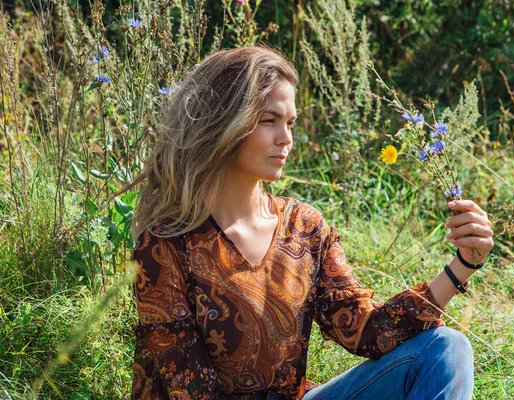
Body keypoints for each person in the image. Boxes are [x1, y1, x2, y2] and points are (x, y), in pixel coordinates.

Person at [129, 46, 494, 400]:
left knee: (446, 349)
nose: (286, 138)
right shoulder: (165, 245)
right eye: (268, 121)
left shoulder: (304, 227)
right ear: (225, 123)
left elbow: (367, 331)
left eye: (290, 123)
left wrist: (464, 264)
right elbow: (188, 388)